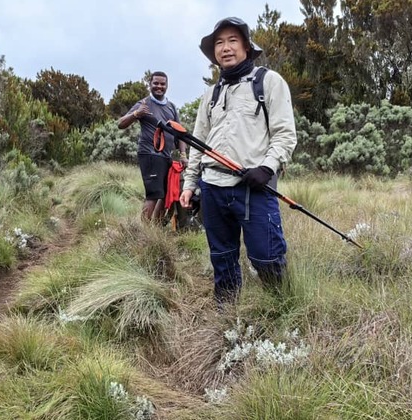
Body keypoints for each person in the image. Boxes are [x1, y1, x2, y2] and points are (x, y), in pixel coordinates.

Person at [179, 17, 298, 306]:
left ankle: (282, 309)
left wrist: (267, 167)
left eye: (232, 40)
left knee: (267, 256)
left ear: (246, 46)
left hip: (254, 187)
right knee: (222, 257)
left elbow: (285, 135)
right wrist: (190, 183)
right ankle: (227, 314)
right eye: (219, 43)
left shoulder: (269, 82)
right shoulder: (210, 95)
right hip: (212, 188)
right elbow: (198, 143)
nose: (225, 48)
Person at [118, 71, 188, 223]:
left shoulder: (171, 107)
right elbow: (120, 124)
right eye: (156, 83)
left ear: (167, 86)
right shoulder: (144, 103)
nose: (159, 86)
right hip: (150, 154)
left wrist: (183, 155)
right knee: (153, 194)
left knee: (166, 194)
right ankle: (144, 234)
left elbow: (180, 133)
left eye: (162, 84)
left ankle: (156, 232)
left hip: (168, 157)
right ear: (150, 84)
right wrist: (136, 114)